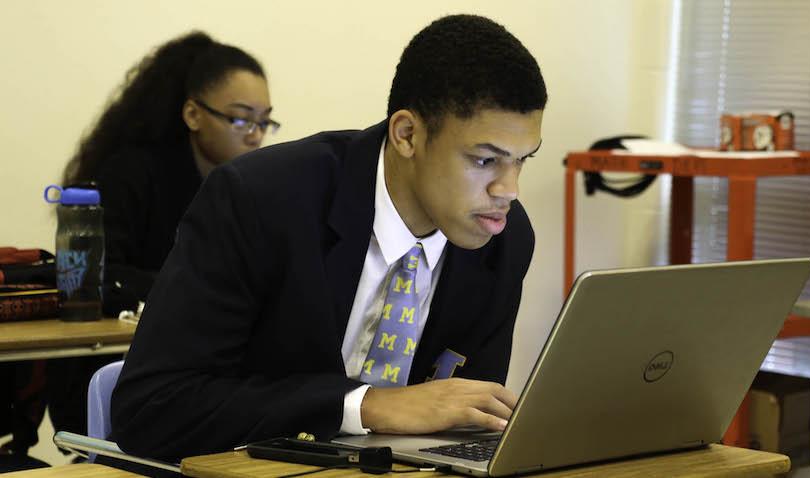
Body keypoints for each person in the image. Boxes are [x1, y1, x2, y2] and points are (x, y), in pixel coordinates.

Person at [112, 14, 546, 462]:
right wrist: (364, 405)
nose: (508, 190)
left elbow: (463, 425)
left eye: (521, 161)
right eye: (484, 160)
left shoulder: (506, 239)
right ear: (407, 135)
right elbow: (152, 407)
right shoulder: (261, 200)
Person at [46, 31, 278, 445]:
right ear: (193, 114)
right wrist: (198, 294)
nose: (255, 134)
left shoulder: (254, 189)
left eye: (264, 122)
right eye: (241, 119)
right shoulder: (133, 174)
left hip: (204, 369)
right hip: (116, 370)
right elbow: (97, 276)